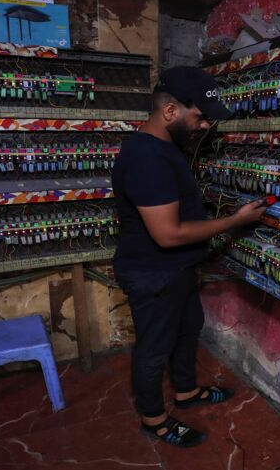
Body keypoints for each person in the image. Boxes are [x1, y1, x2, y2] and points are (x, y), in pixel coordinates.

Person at [111, 66, 267, 447]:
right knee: (154, 348)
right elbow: (168, 234)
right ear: (169, 111)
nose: (205, 127)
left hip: (175, 269)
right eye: (199, 117)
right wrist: (234, 221)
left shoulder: (163, 148)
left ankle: (185, 391)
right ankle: (154, 419)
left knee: (188, 327)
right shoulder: (148, 157)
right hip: (153, 273)